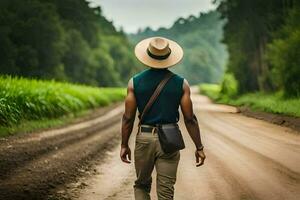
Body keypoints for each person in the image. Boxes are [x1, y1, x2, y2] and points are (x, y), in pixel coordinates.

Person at [120, 36, 206, 200]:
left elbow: (128, 118)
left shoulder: (134, 83)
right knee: (166, 191)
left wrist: (124, 145)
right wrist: (199, 147)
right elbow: (190, 119)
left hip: (145, 138)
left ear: (148, 56)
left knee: (141, 185)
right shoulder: (181, 84)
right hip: (170, 139)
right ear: (168, 57)